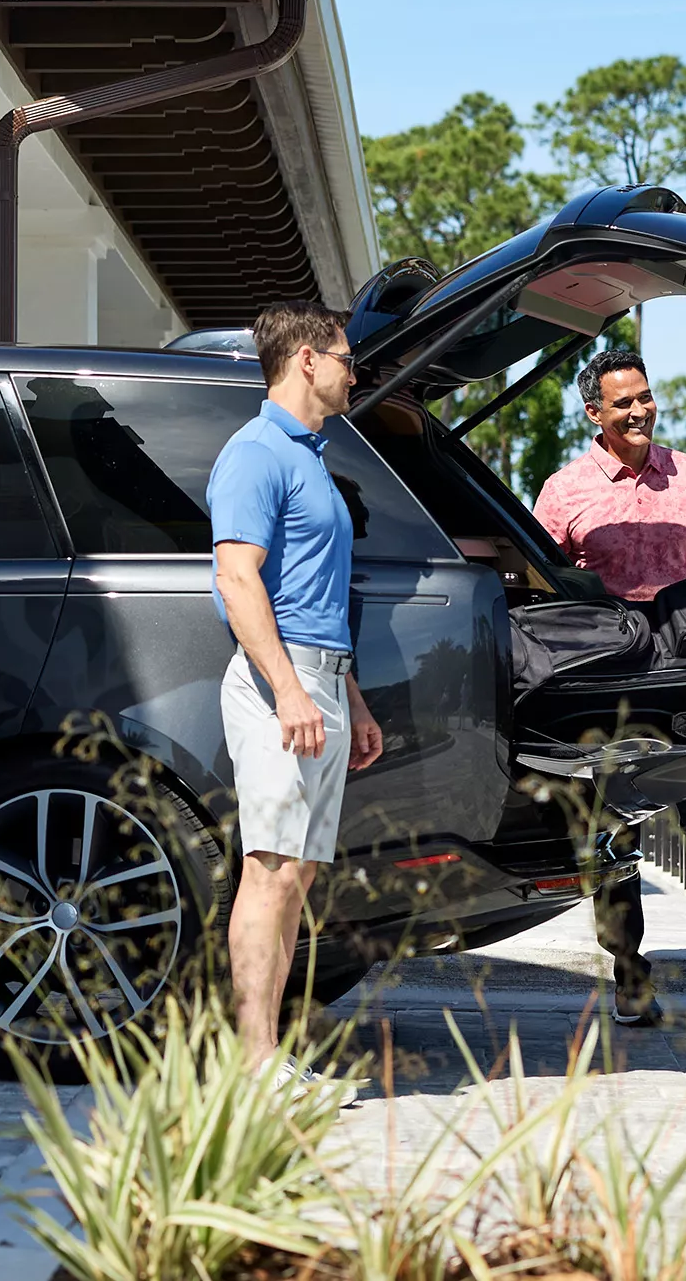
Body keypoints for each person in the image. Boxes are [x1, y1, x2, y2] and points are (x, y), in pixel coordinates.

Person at [533, 346, 686, 1034]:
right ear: (593, 412)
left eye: (645, 396)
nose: (639, 410)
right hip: (608, 682)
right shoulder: (563, 490)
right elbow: (544, 592)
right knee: (610, 835)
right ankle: (629, 977)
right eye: (623, 401)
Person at [212, 300, 386, 1072]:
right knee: (271, 868)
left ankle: (270, 1056)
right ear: (308, 359)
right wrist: (288, 690)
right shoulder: (256, 452)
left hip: (321, 681)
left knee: (298, 876)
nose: (357, 372)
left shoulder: (311, 456)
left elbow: (314, 594)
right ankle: (251, 1067)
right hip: (273, 687)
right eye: (348, 357)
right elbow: (237, 578)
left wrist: (348, 696)